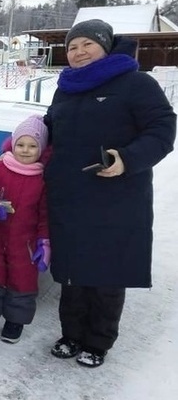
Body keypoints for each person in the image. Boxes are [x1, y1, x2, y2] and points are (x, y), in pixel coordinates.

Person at [44, 19, 176, 368]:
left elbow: (163, 128)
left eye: (87, 44)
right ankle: (71, 335)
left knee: (107, 272)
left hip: (115, 196)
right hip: (70, 196)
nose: (78, 52)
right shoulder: (65, 88)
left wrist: (128, 159)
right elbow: (50, 128)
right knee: (72, 273)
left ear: (105, 46)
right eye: (72, 47)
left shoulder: (135, 83)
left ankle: (97, 341)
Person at [0, 115, 50, 344]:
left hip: (24, 242)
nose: (25, 150)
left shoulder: (43, 178)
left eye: (32, 146)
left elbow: (45, 215)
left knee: (22, 281)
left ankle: (15, 321)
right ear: (12, 144)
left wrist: (44, 242)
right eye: (20, 144)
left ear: (42, 149)